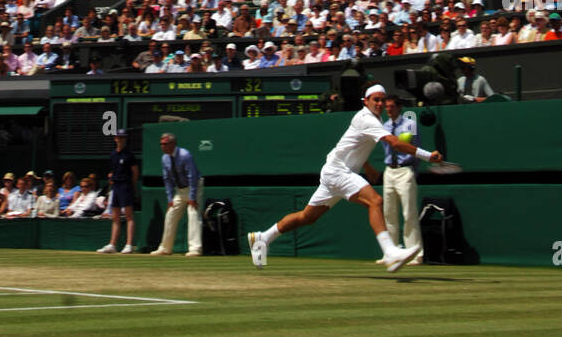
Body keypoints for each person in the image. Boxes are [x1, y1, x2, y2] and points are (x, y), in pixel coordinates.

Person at [248, 83, 443, 272]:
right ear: (365, 101)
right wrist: (427, 156)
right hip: (338, 171)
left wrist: (366, 166)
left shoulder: (372, 120)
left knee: (306, 217)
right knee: (375, 201)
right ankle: (390, 253)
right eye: (376, 100)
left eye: (383, 100)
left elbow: (352, 147)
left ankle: (263, 237)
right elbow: (394, 142)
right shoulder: (367, 118)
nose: (380, 104)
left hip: (333, 170)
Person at [378, 93, 423, 265]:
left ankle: (416, 253)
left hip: (405, 171)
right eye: (386, 107)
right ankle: (391, 252)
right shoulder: (384, 126)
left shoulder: (410, 125)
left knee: (409, 213)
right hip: (389, 171)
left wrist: (414, 172)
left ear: (399, 107)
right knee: (389, 213)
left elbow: (415, 149)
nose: (388, 109)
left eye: (391, 106)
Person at [151, 133, 203, 257]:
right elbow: (167, 179)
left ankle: (195, 249)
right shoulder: (164, 158)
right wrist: (170, 198)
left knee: (193, 215)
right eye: (161, 144)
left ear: (173, 144)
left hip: (194, 186)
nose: (162, 146)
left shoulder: (185, 155)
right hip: (179, 191)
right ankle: (165, 248)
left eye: (165, 144)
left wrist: (192, 197)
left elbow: (192, 176)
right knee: (170, 215)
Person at [96, 129, 139, 254]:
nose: (121, 140)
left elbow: (135, 172)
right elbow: (113, 171)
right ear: (115, 139)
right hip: (116, 187)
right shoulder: (113, 155)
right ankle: (112, 245)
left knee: (129, 215)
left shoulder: (129, 155)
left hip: (126, 186)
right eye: (119, 137)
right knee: (115, 216)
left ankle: (129, 244)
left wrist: (131, 185)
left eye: (123, 138)